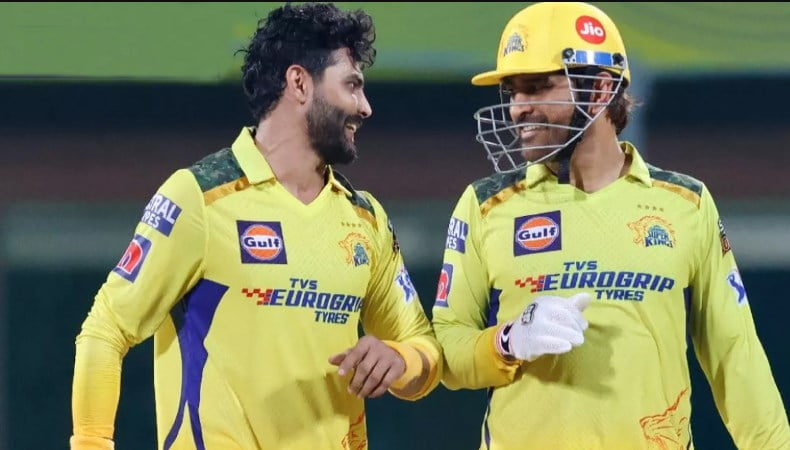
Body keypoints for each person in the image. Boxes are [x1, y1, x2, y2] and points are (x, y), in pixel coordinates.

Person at [70, 3, 441, 449]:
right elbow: (106, 329)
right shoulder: (199, 197)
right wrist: (91, 443)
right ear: (299, 82)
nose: (365, 107)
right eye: (352, 85)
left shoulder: (366, 219)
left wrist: (400, 359)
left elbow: (424, 350)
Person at [432, 2, 790, 449]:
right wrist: (508, 340)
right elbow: (447, 353)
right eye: (512, 92)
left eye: (537, 87)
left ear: (601, 89)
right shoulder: (485, 205)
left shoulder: (687, 204)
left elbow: (734, 355)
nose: (517, 109)